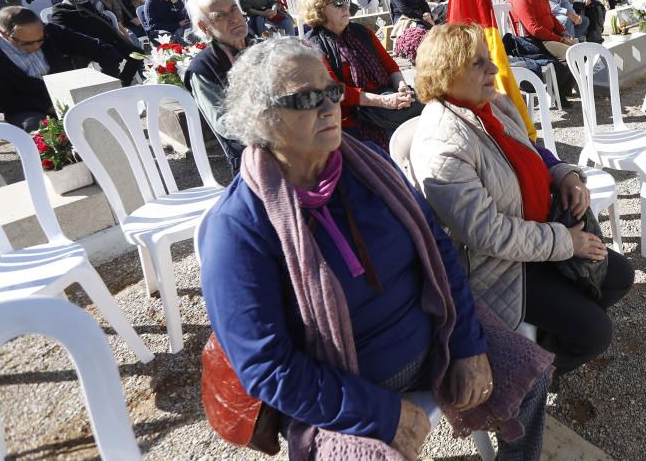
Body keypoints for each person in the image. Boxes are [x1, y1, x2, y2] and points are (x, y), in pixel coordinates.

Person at [202, 36, 550, 461]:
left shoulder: (368, 164)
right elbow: (268, 369)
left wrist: (468, 345)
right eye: (307, 98)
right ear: (263, 118)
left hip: (430, 339)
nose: (329, 105)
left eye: (330, 90)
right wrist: (383, 415)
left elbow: (439, 251)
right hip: (341, 389)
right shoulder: (237, 228)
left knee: (529, 374)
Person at [410, 23, 634, 380]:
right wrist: (567, 243)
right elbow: (488, 235)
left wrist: (564, 174)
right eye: (479, 63)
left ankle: (546, 340)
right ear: (446, 72)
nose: (494, 69)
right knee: (595, 332)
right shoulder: (442, 144)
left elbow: (530, 150)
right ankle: (534, 376)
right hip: (496, 266)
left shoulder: (490, 105)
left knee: (619, 276)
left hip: (536, 235)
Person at [299, 0, 421, 149]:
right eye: (337, 3)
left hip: (388, 102)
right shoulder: (313, 46)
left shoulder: (362, 32)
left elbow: (390, 65)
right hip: (354, 119)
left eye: (346, 0)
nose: (345, 7)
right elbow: (334, 91)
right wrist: (383, 101)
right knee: (400, 145)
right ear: (319, 9)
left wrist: (402, 88)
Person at [0, 6, 122, 131]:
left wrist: (107, 88)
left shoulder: (51, 32)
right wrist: (48, 107)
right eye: (27, 43)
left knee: (105, 124)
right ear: (5, 34)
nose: (36, 46)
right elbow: (1, 99)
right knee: (43, 130)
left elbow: (105, 52)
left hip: (69, 96)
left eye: (40, 40)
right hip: (27, 106)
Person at [183, 0, 255, 174]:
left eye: (234, 9)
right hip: (253, 155)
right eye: (220, 16)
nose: (234, 18)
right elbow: (225, 123)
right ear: (204, 27)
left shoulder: (261, 45)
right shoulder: (204, 68)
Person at [506, 0, 577, 102]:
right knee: (568, 54)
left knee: (575, 47)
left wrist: (563, 32)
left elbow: (550, 15)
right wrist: (561, 39)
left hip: (546, 36)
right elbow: (534, 29)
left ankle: (561, 91)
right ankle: (558, 95)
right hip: (532, 41)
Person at [50, 0, 142, 86]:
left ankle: (123, 83)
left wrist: (124, 34)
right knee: (110, 57)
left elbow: (111, 19)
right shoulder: (61, 9)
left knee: (138, 54)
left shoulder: (93, 2)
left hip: (110, 40)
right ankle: (110, 88)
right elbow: (61, 31)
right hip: (87, 44)